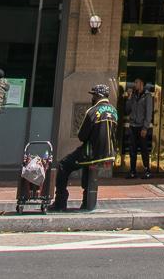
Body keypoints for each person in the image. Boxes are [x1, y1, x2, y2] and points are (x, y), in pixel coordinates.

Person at [48, 83, 118, 212]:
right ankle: (87, 202)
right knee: (87, 166)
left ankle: (60, 202)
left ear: (98, 96)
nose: (92, 98)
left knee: (63, 165)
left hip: (92, 153)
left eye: (94, 95)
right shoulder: (114, 111)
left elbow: (82, 136)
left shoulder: (92, 111)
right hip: (109, 153)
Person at [123, 77, 156, 178]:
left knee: (144, 149)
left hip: (142, 127)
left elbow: (149, 113)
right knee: (132, 149)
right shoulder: (133, 95)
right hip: (133, 126)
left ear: (141, 83)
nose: (134, 84)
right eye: (134, 82)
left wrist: (145, 128)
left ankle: (147, 170)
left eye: (136, 82)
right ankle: (133, 171)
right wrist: (128, 97)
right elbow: (127, 110)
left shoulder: (147, 96)